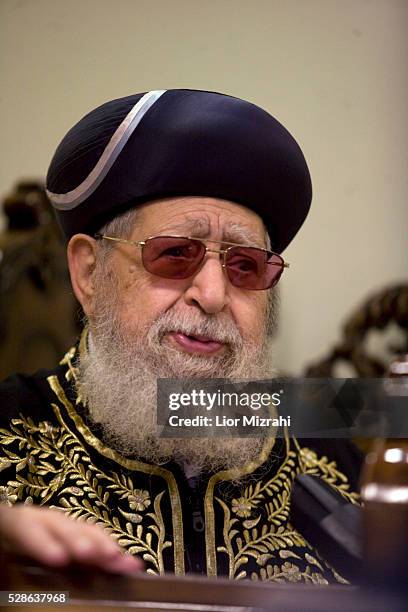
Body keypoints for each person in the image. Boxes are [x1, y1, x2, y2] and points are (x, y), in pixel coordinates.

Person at [0, 89, 360, 583]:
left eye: (245, 265)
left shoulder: (338, 450)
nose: (212, 295)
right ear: (89, 273)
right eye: (174, 254)